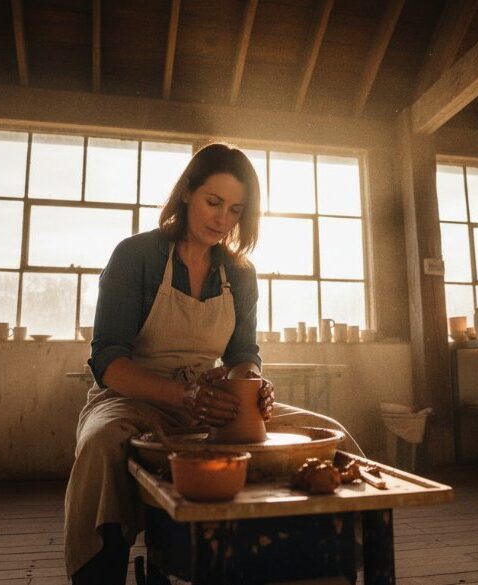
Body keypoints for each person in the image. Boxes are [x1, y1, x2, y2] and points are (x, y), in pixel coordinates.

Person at [64, 142, 362, 584]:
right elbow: (108, 361)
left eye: (235, 210)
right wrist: (184, 395)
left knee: (332, 439)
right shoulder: (136, 256)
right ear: (187, 193)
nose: (222, 220)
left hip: (211, 398)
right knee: (101, 445)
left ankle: (327, 562)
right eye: (213, 202)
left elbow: (243, 355)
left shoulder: (239, 274)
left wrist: (253, 385)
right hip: (131, 396)